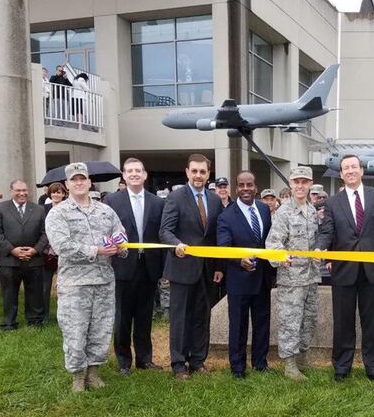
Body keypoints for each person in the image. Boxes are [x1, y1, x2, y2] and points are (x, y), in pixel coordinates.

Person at [45, 163, 128, 392]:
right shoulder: (58, 213)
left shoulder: (105, 211)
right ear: (67, 185)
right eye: (74, 180)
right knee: (75, 331)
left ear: (90, 182)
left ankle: (93, 372)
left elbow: (120, 233)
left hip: (103, 281)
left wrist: (121, 245)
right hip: (75, 284)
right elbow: (62, 246)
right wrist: (97, 250)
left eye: (83, 179)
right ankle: (77, 376)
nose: (79, 183)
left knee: (100, 330)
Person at [316, 154, 374, 383]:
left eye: (354, 167)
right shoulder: (332, 202)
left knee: (373, 322)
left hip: (372, 270)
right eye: (345, 168)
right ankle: (341, 367)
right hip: (344, 270)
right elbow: (327, 231)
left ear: (361, 170)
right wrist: (321, 249)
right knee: (342, 322)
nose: (350, 171)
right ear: (341, 174)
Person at [159, 153, 225, 380]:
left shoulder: (215, 200)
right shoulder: (175, 197)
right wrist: (176, 244)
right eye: (194, 171)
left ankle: (198, 360)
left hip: (207, 270)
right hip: (181, 267)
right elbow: (164, 231)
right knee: (180, 318)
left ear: (208, 174)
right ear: (187, 172)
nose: (198, 175)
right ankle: (178, 364)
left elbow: (215, 237)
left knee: (201, 316)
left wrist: (218, 266)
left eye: (203, 172)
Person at [105, 158, 166, 376]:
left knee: (144, 315)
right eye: (129, 171)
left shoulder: (157, 203)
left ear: (145, 174)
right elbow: (106, 232)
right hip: (122, 265)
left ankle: (144, 359)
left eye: (138, 170)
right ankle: (123, 361)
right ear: (123, 175)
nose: (134, 174)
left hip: (149, 266)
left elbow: (161, 235)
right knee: (122, 317)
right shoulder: (112, 201)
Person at [266, 166, 321, 380]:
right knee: (290, 321)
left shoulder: (312, 211)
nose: (300, 186)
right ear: (290, 183)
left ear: (310, 184)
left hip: (311, 277)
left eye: (304, 182)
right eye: (296, 182)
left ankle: (302, 357)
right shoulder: (283, 212)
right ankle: (289, 364)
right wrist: (282, 256)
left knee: (309, 319)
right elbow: (273, 242)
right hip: (291, 280)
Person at [217, 171, 274, 379]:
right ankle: (238, 368)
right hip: (239, 280)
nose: (246, 189)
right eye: (241, 185)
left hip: (263, 279)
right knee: (238, 326)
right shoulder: (226, 216)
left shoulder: (264, 209)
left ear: (255, 187)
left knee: (262, 323)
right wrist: (239, 261)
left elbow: (269, 241)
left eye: (249, 184)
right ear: (236, 189)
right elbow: (224, 247)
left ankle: (260, 363)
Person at [0, 179, 48, 330]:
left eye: (25, 190)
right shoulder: (0, 208)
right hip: (9, 260)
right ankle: (9, 323)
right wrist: (12, 250)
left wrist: (35, 249)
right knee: (9, 294)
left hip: (34, 259)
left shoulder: (39, 209)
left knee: (35, 293)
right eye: (18, 190)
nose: (22, 193)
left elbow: (46, 233)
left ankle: (35, 322)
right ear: (11, 191)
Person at [42, 182, 67, 322]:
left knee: (65, 286)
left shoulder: (69, 209)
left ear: (64, 194)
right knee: (45, 286)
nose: (56, 195)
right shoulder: (43, 209)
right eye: (53, 192)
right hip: (48, 253)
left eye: (59, 192)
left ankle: (63, 316)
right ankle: (45, 315)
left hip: (65, 252)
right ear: (49, 194)